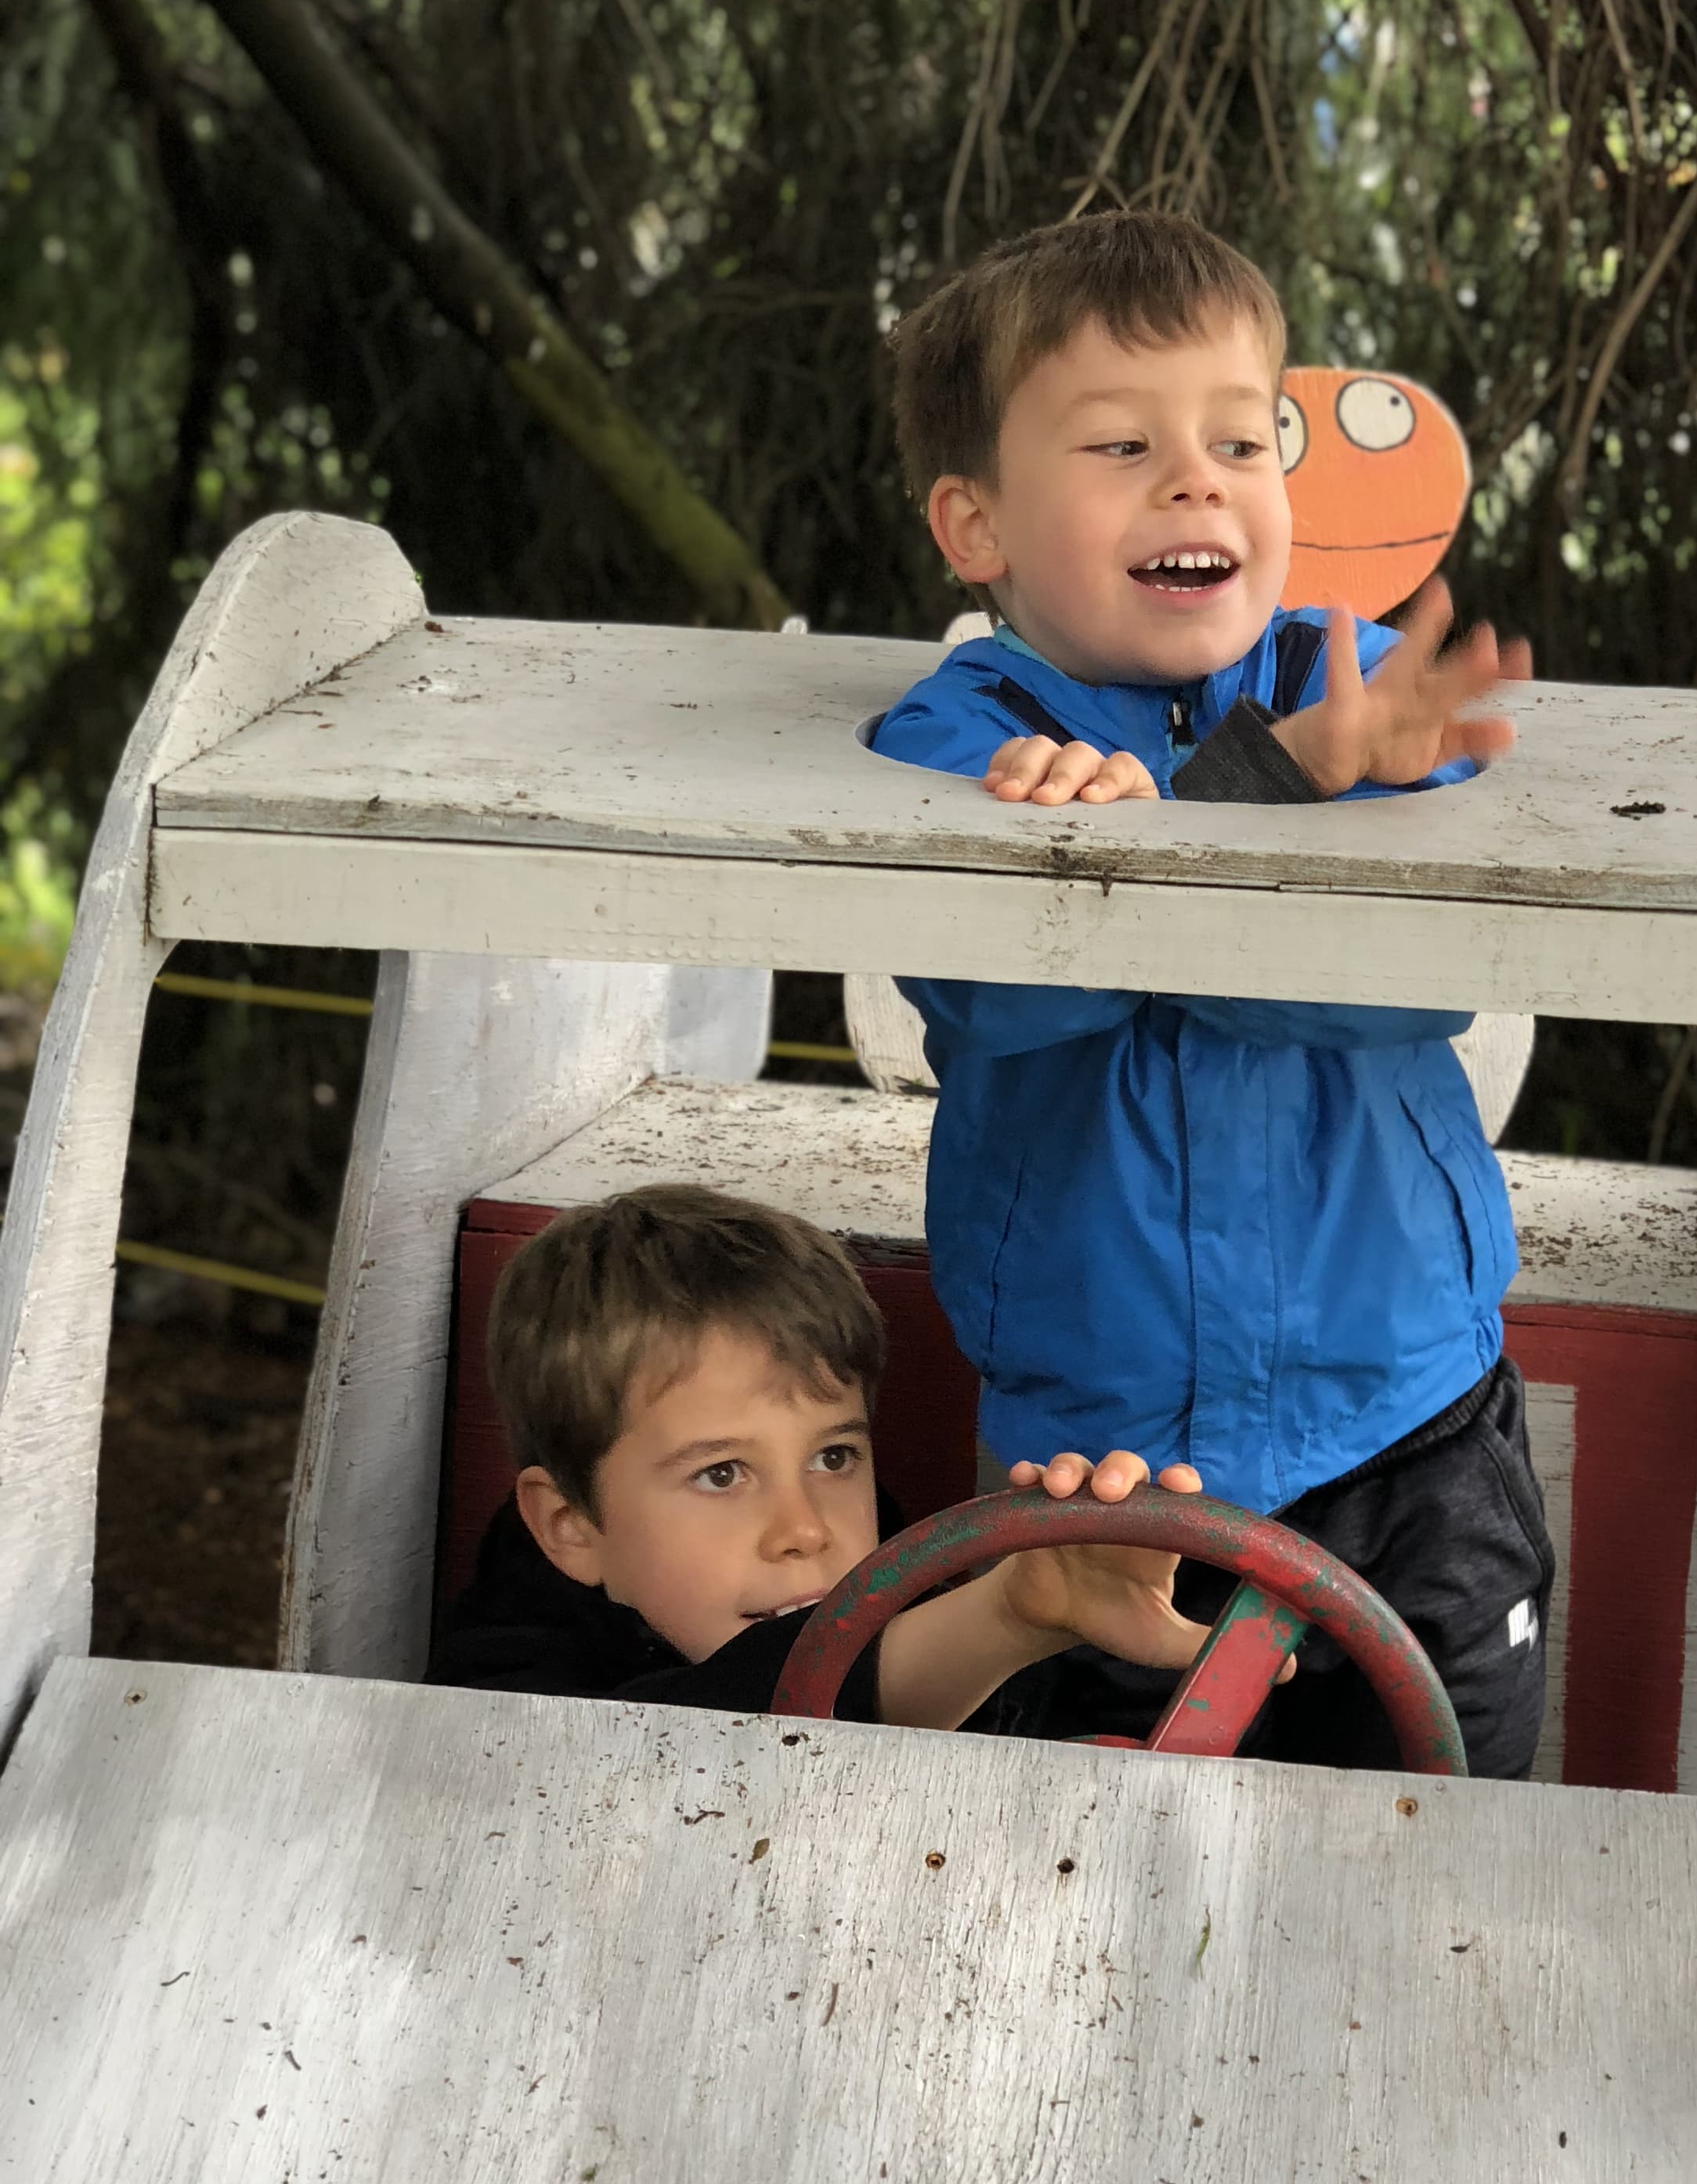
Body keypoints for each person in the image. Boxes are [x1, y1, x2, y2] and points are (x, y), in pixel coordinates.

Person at [869, 209, 1553, 1778]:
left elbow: (1406, 992)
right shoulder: (961, 734)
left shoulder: (1365, 692)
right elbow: (1006, 1002)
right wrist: (1241, 842)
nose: (1196, 480)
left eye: (1242, 441)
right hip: (1093, 1459)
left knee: (1435, 1843)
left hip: (1406, 1419)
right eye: (1120, 444)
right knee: (1081, 1866)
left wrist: (1166, 861)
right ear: (975, 526)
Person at [430, 1181, 1213, 1723]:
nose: (804, 1529)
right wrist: (1000, 1620)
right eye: (721, 1474)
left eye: (833, 1458)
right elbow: (686, 1740)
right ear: (573, 1526)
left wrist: (1089, 1637)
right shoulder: (499, 1703)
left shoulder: (908, 1578)